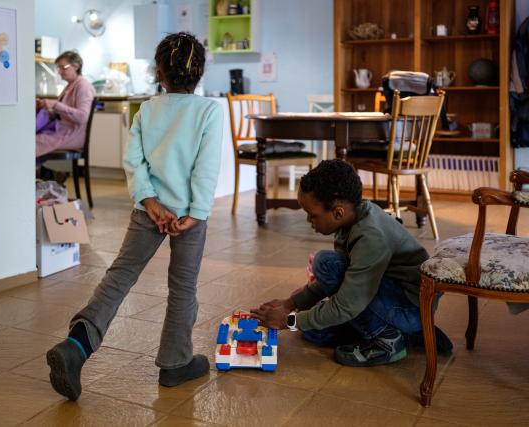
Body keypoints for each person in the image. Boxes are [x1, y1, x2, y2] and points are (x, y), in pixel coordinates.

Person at [45, 32, 222, 400]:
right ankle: (176, 363)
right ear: (200, 72)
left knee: (120, 276)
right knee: (183, 287)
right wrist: (196, 212)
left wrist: (150, 201)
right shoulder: (209, 110)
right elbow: (205, 168)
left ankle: (77, 345)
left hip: (148, 210)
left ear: (159, 72)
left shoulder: (147, 108)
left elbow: (134, 161)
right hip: (189, 218)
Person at [251, 159, 452, 367]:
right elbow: (342, 280)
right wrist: (290, 304)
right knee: (316, 333)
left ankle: (388, 341)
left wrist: (288, 321)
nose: (309, 222)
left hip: (409, 308)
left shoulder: (370, 236)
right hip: (386, 296)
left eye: (312, 216)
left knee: (325, 263)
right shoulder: (352, 218)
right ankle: (407, 334)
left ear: (337, 212)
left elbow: (346, 303)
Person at [36, 51, 95, 157]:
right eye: (58, 68)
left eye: (63, 67)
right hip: (63, 131)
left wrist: (55, 105)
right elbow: (62, 115)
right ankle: (44, 172)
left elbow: (82, 117)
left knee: (32, 142)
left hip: (73, 135)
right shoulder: (70, 86)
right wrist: (47, 109)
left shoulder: (83, 86)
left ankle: (34, 172)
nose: (59, 71)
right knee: (31, 139)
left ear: (76, 66)